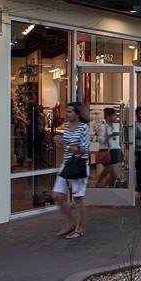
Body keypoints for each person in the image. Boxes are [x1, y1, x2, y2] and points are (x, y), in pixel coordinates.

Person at [51, 102, 90, 239]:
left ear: (77, 114)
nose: (66, 114)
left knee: (78, 198)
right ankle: (71, 222)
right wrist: (60, 142)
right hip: (66, 164)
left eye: (69, 112)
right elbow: (66, 147)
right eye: (66, 111)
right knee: (57, 195)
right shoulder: (67, 128)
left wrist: (65, 144)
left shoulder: (84, 128)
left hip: (78, 164)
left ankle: (79, 229)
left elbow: (84, 149)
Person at [96, 107, 123, 188]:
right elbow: (100, 140)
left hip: (116, 150)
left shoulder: (115, 127)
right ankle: (103, 185)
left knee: (110, 172)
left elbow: (116, 141)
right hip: (107, 151)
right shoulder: (102, 127)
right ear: (108, 116)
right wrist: (111, 135)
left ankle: (106, 186)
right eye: (113, 115)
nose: (115, 117)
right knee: (114, 174)